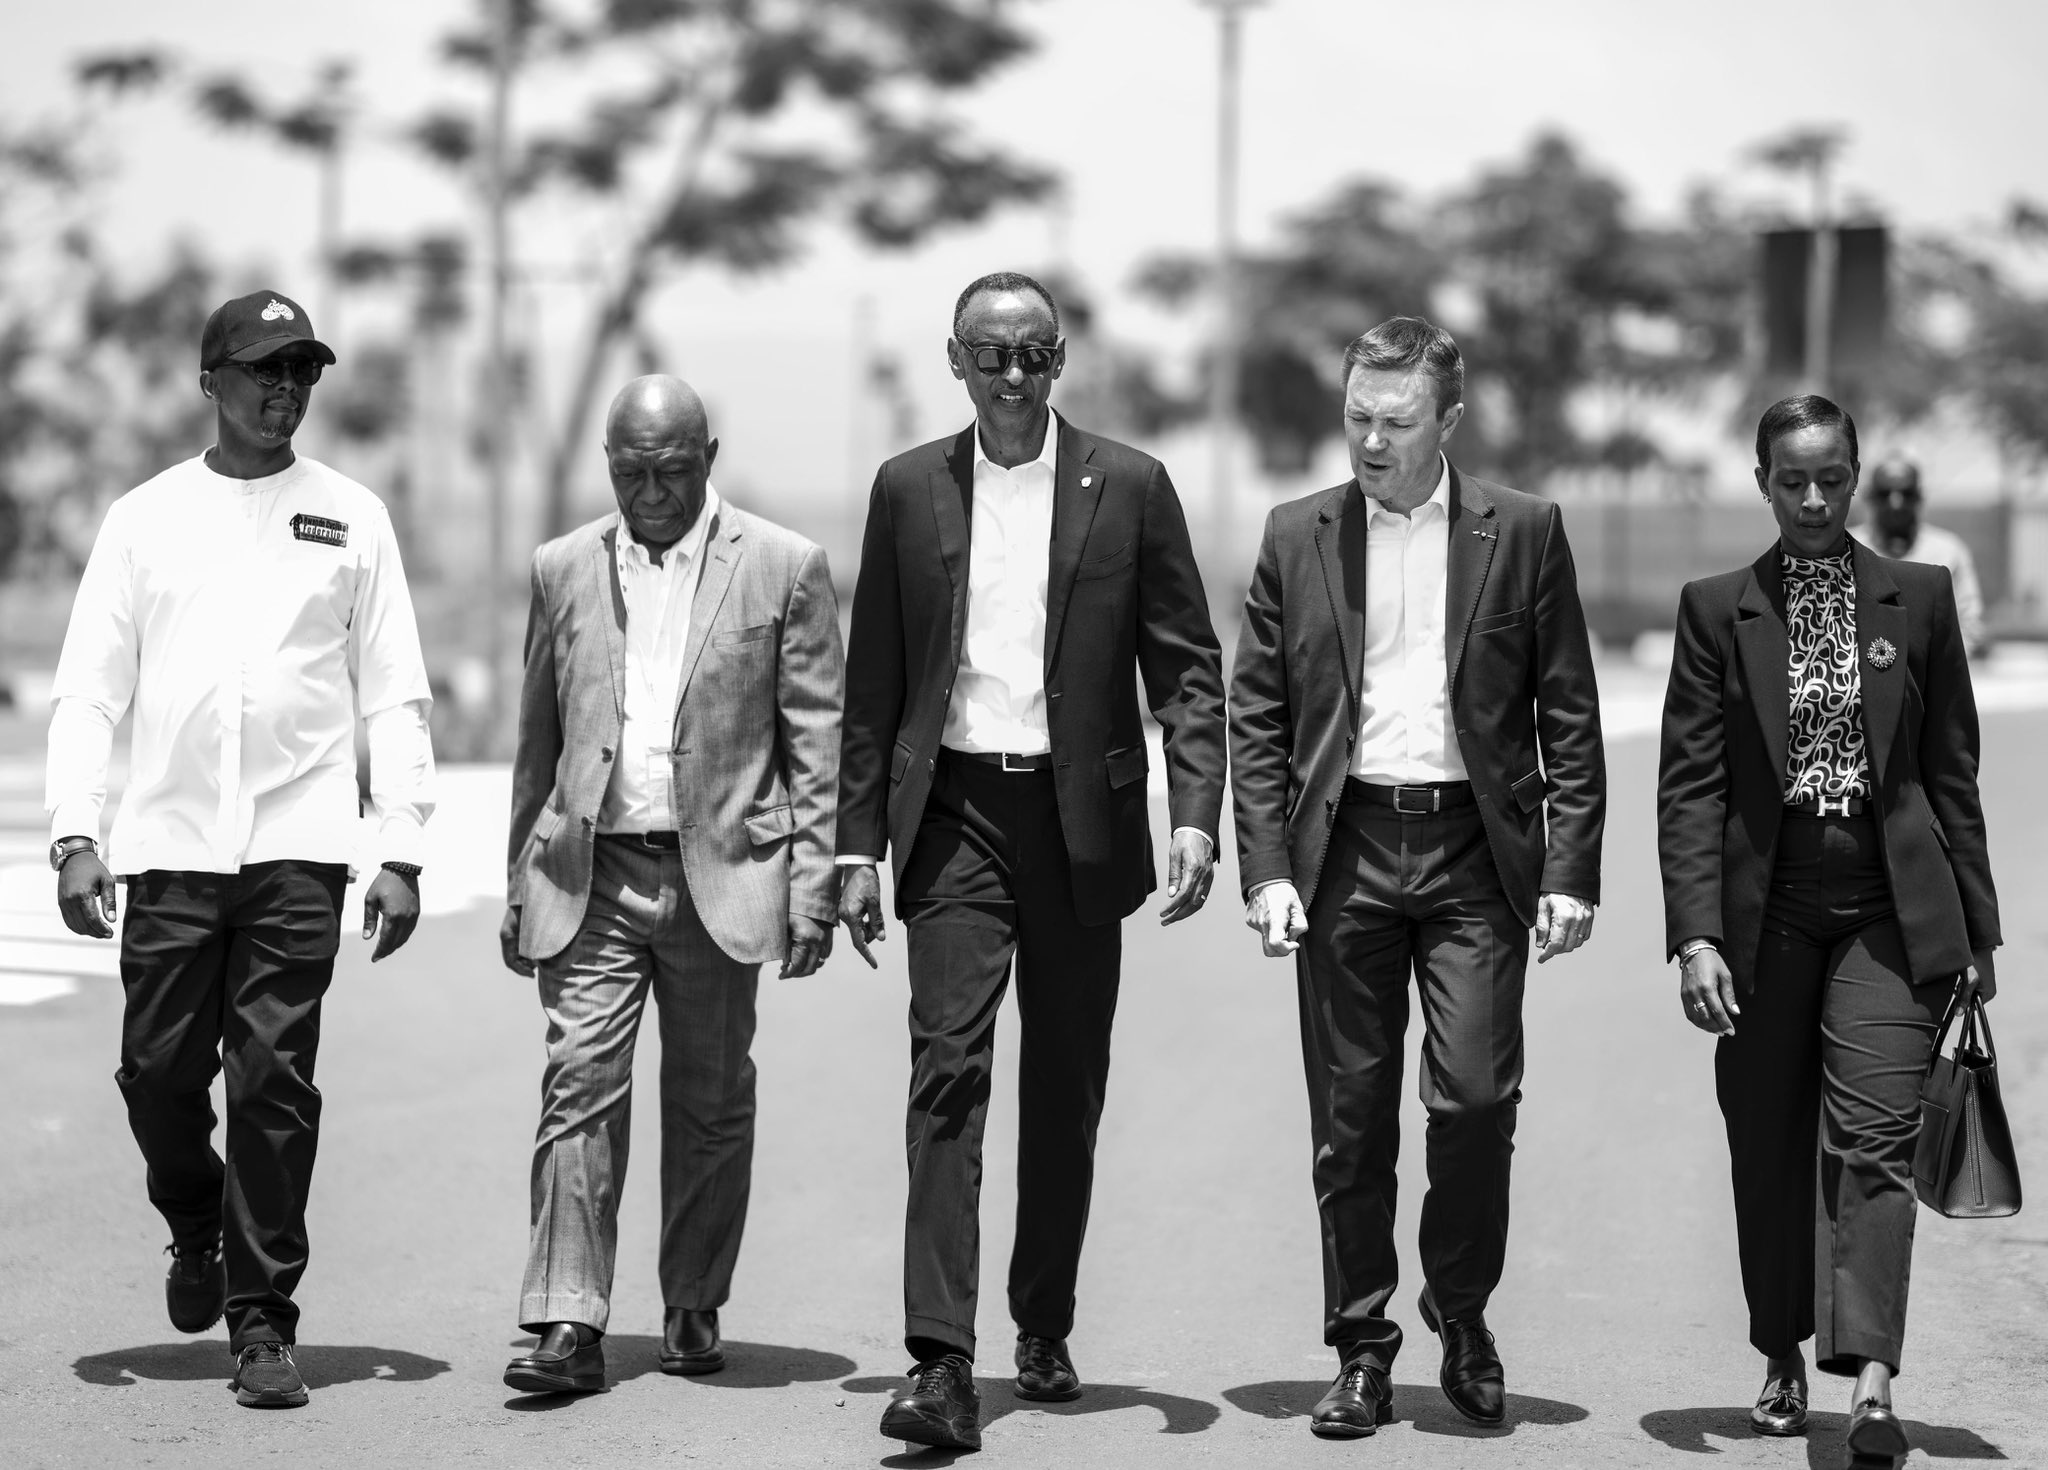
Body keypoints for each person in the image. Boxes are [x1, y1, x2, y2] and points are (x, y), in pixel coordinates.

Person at [836, 272, 1227, 1451]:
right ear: (954, 360)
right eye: (991, 355)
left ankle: (1042, 1322)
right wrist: (855, 845)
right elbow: (872, 684)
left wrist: (1194, 814)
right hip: (953, 816)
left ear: (1060, 361)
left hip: (1079, 827)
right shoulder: (906, 489)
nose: (1013, 376)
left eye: (1034, 355)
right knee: (946, 1073)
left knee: (1064, 1087)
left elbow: (1185, 667)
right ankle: (940, 1362)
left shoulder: (1131, 486)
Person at [45, 289, 436, 1410]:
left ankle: (262, 1322)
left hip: (297, 849)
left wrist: (400, 847)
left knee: (274, 1082)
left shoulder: (353, 517)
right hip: (170, 848)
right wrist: (75, 833)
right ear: (209, 381)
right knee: (156, 1074)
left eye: (302, 371)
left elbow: (394, 693)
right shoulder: (144, 519)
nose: (285, 390)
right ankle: (194, 1219)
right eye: (265, 370)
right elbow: (89, 690)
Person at [1228, 316, 1605, 1439]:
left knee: (1476, 1102)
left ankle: (1464, 1311)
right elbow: (1258, 715)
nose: (1370, 441)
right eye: (1357, 417)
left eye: (1395, 422)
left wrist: (1570, 869)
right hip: (1342, 853)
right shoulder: (1295, 533)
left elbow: (1568, 713)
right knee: (1349, 1121)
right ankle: (1360, 1346)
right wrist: (1265, 868)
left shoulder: (1522, 532)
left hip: (1473, 855)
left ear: (1449, 420)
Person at [1657, 396, 2000, 1460]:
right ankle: (1779, 1349)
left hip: (1888, 909)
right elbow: (1690, 788)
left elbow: (1950, 773)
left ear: (1855, 477)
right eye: (1792, 481)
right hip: (1764, 912)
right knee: (1766, 1141)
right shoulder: (1716, 610)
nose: (1813, 499)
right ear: (1761, 482)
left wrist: (1976, 935)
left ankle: (1871, 1384)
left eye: (1831, 479)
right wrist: (1696, 937)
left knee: (1873, 1141)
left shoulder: (1919, 597)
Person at [499, 375, 842, 1396]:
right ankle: (567, 1317)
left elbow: (816, 740)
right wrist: (519, 879)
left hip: (720, 873)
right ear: (608, 464)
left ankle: (693, 1299)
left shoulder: (782, 566)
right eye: (630, 473)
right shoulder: (561, 567)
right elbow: (536, 739)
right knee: (577, 1084)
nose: (650, 493)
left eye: (671, 471)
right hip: (592, 871)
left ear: (709, 458)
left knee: (710, 1099)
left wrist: (813, 887)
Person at [1867, 456, 1989, 657]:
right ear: (1870, 498)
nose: (1896, 503)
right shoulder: (1850, 547)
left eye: (1906, 493)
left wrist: (1936, 667)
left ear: (1919, 497)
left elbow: (1970, 624)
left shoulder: (1948, 552)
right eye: (1885, 494)